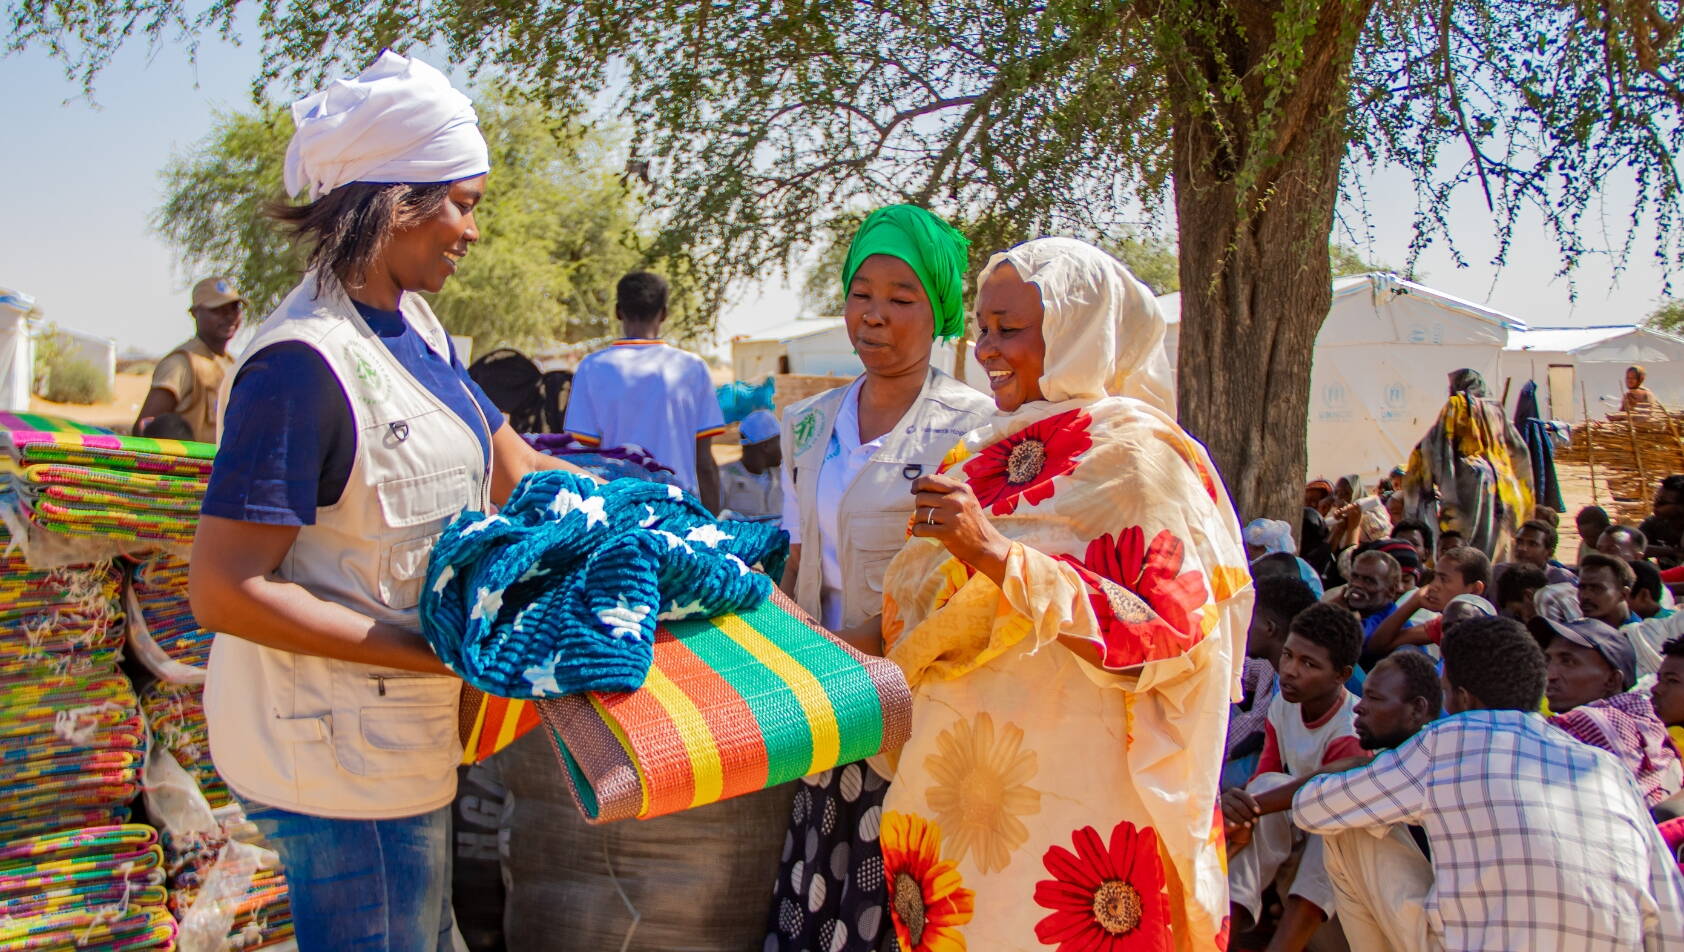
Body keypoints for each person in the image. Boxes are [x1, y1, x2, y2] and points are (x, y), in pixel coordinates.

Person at [191, 52, 586, 949]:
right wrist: (438, 651)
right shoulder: (303, 366)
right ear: (396, 201)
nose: (473, 230)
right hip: (335, 763)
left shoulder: (414, 328)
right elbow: (224, 590)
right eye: (464, 202)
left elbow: (509, 460)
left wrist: (641, 536)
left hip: (400, 743)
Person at [872, 237, 1243, 947]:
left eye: (1010, 330)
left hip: (1083, 815)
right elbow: (917, 621)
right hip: (956, 807)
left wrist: (994, 554)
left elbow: (1167, 636)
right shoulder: (972, 454)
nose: (986, 349)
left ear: (1082, 333)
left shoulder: (1141, 459)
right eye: (982, 327)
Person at [764, 205, 994, 952]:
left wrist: (846, 661)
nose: (876, 317)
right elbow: (797, 557)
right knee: (821, 890)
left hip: (909, 706)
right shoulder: (810, 423)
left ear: (941, 312)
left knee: (903, 905)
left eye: (902, 299)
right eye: (863, 294)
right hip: (823, 703)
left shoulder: (973, 430)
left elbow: (956, 592)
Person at [1292, 616, 1684, 950]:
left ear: (1460, 697)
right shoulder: (1605, 768)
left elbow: (1311, 808)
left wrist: (1357, 771)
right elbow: (1670, 918)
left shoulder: (1448, 739)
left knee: (1347, 828)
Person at [1227, 652, 1443, 952]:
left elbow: (1342, 785)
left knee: (1344, 818)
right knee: (1276, 787)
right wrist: (1245, 811)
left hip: (1415, 936)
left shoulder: (1427, 760)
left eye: (1375, 700)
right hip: (1356, 917)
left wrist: (1246, 811)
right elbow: (1335, 775)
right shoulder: (1377, 764)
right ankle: (1221, 932)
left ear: (1417, 709)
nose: (1361, 708)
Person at [1224, 603, 1365, 950]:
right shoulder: (1283, 705)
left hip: (1335, 863)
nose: (1289, 670)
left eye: (1308, 664)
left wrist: (1250, 806)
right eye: (1288, 656)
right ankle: (1224, 927)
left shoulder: (1350, 730)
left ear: (1341, 675)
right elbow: (1266, 777)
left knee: (1334, 833)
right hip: (1296, 831)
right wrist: (1243, 811)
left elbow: (1328, 799)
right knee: (1263, 789)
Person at [564, 272, 724, 509]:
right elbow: (704, 463)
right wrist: (714, 523)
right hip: (679, 508)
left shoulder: (592, 368)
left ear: (618, 311)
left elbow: (581, 459)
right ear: (664, 313)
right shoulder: (692, 368)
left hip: (615, 509)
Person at [1537, 615, 1683, 807]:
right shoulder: (1649, 728)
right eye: (1547, 660)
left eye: (1568, 661)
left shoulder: (1603, 724)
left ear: (1612, 680)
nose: (1550, 674)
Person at [1401, 368, 1533, 562]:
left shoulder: (1459, 404)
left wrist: (1426, 473)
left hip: (1468, 486)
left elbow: (1437, 445)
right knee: (1498, 546)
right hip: (1506, 489)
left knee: (1467, 547)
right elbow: (1520, 453)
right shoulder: (1496, 409)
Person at [1226, 575, 1320, 789]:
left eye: (1248, 617)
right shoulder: (1271, 663)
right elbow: (1240, 671)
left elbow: (1247, 734)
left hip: (1267, 769)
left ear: (1269, 628)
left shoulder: (1290, 690)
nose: (1243, 625)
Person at [134, 276, 245, 442]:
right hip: (189, 467)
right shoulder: (181, 364)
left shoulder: (234, 365)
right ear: (195, 313)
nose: (228, 316)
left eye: (234, 308)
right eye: (217, 310)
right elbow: (143, 432)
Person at [1363, 545, 1490, 661]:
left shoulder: (1485, 636)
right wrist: (1414, 602)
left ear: (1475, 589)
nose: (1433, 585)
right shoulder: (1442, 624)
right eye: (1435, 577)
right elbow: (1377, 646)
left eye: (1444, 579)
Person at [717, 408, 782, 521]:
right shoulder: (723, 478)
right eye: (779, 441)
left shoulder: (784, 478)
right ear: (766, 446)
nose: (784, 447)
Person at [1494, 518, 1577, 586]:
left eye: (1532, 544)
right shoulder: (1498, 573)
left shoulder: (1563, 580)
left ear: (1549, 552)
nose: (1522, 548)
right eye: (1519, 541)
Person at [1580, 552, 1642, 628]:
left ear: (1623, 594)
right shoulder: (1578, 630)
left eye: (1596, 589)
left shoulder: (1638, 638)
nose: (1585, 596)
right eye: (1582, 587)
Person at [1642, 475, 1684, 568]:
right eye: (1656, 500)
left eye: (1662, 503)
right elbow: (1634, 547)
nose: (1655, 505)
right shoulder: (1653, 523)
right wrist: (1673, 551)